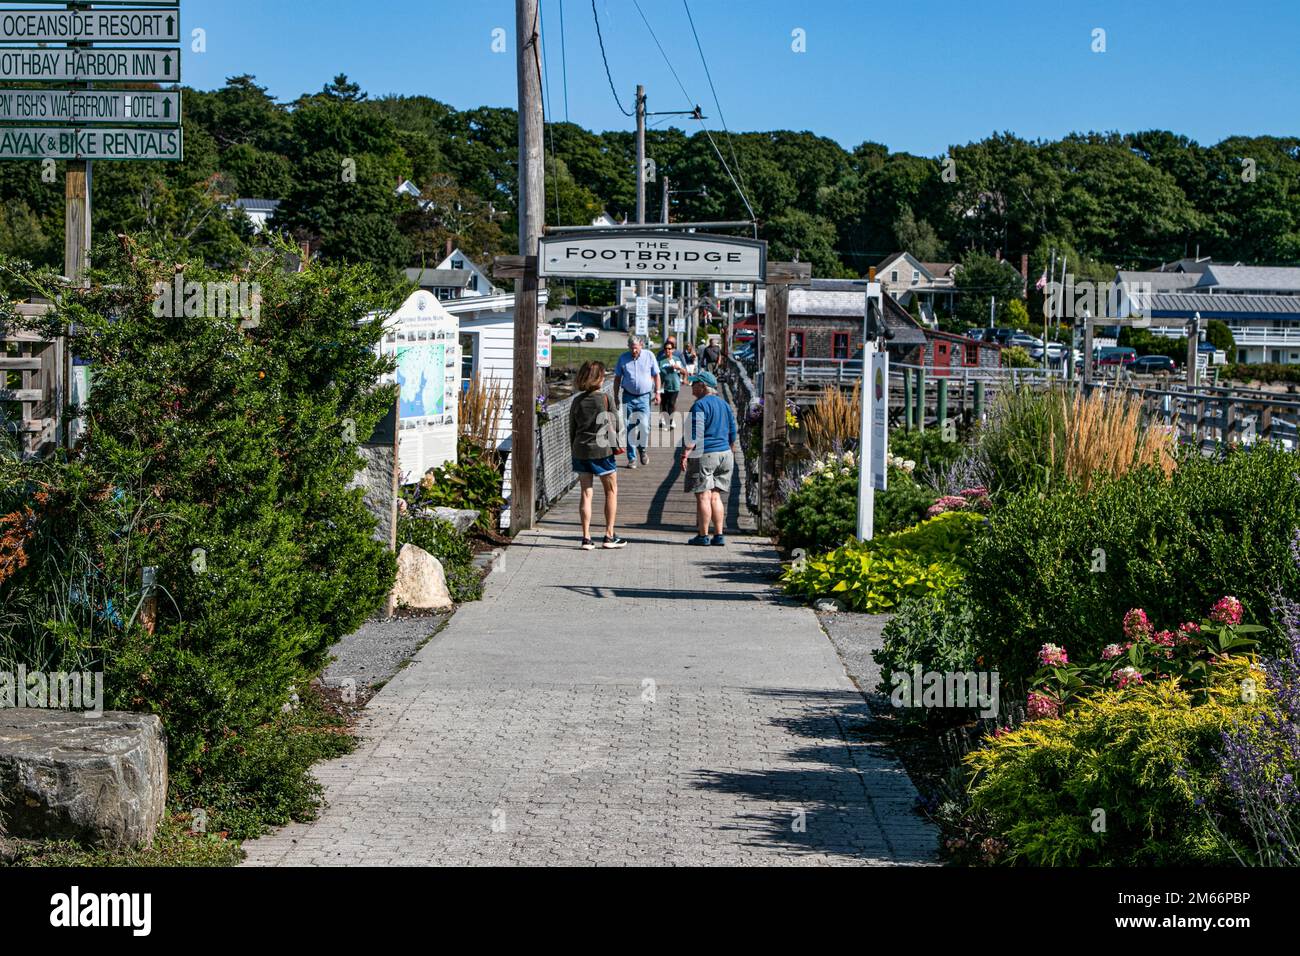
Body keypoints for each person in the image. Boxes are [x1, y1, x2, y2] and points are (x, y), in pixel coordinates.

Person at [568, 360, 627, 549]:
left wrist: (575, 449)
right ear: (598, 378)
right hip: (602, 451)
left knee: (586, 493)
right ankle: (609, 535)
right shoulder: (605, 399)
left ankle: (586, 537)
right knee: (611, 491)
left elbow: (572, 428)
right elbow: (617, 425)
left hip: (581, 450)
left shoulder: (577, 400)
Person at [679, 370, 737, 546]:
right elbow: (732, 431)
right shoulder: (725, 405)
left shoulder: (700, 405)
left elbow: (694, 433)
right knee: (715, 496)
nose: (692, 385)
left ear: (703, 386)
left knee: (703, 496)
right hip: (725, 455)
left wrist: (686, 453)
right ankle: (718, 535)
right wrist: (730, 449)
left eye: (695, 383)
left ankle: (703, 536)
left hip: (707, 454)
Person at [613, 334, 661, 468]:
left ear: (641, 346)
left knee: (644, 426)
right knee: (629, 427)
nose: (634, 351)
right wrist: (616, 396)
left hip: (644, 397)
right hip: (627, 396)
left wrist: (658, 393)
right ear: (628, 347)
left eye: (636, 348)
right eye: (631, 348)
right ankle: (632, 458)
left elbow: (656, 375)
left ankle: (642, 448)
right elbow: (617, 378)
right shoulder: (623, 358)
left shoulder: (649, 356)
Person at [657, 340, 688, 429]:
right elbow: (656, 374)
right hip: (663, 386)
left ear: (673, 350)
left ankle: (670, 422)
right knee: (663, 404)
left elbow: (684, 372)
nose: (668, 350)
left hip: (674, 385)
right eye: (666, 349)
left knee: (671, 403)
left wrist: (679, 368)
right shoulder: (660, 361)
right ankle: (664, 419)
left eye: (670, 349)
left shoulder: (676, 359)